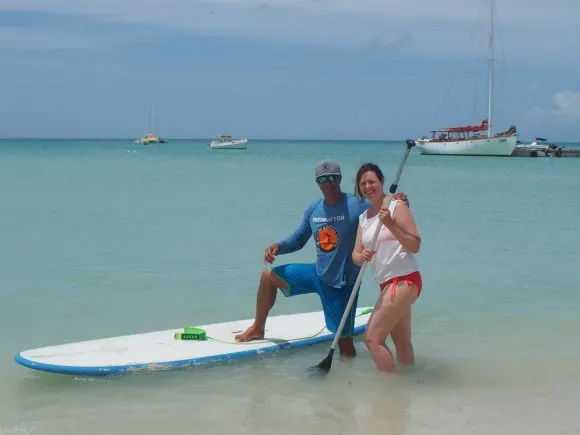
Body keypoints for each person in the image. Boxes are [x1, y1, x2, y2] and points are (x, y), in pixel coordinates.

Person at [234, 159, 409, 357]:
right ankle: (258, 328)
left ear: (339, 179)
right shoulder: (313, 209)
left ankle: (348, 380)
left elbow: (381, 204)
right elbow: (299, 238)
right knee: (268, 277)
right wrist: (278, 246)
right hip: (317, 274)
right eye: (323, 179)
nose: (328, 183)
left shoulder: (356, 204)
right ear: (317, 182)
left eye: (332, 178)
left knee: (345, 345)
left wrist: (396, 201)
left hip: (342, 286)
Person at [352, 162, 422, 372]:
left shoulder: (396, 206)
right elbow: (356, 255)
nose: (367, 186)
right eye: (363, 183)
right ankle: (409, 383)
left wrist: (390, 224)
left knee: (372, 339)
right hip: (387, 284)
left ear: (382, 182)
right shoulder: (363, 218)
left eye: (372, 181)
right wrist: (361, 255)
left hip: (404, 279)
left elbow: (415, 244)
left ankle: (392, 391)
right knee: (400, 340)